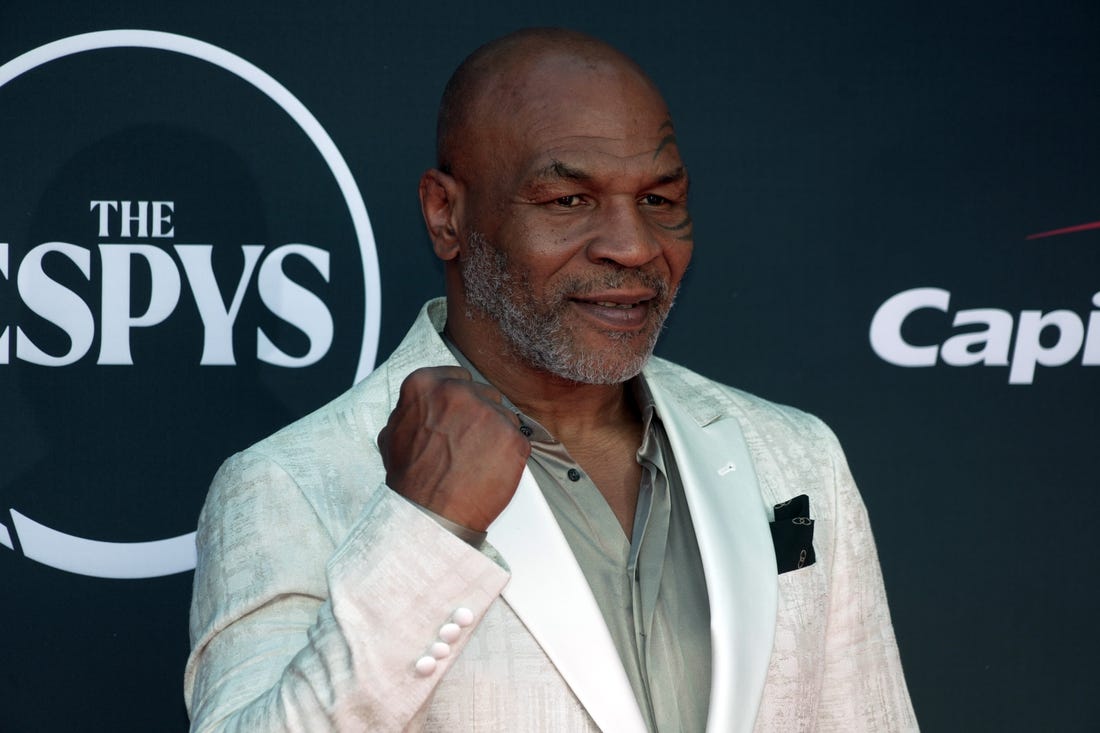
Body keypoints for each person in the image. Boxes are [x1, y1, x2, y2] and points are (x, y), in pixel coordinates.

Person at [184, 27, 917, 733]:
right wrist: (426, 531)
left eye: (659, 199)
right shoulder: (292, 484)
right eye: (569, 201)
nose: (634, 246)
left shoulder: (794, 456)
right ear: (446, 215)